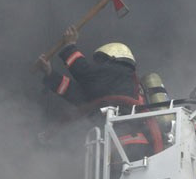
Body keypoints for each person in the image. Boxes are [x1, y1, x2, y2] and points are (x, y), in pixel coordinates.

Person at [36, 25, 160, 160]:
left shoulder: (119, 70)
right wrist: (50, 74)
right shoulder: (113, 87)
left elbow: (85, 74)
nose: (97, 67)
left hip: (126, 145)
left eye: (99, 62)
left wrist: (70, 46)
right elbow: (80, 97)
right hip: (122, 147)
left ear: (111, 57)